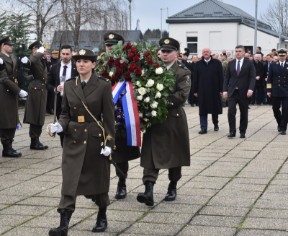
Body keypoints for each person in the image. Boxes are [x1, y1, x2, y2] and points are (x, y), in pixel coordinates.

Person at [48, 49, 115, 235]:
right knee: (69, 182)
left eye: (86, 61)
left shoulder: (103, 85)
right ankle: (63, 225)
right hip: (73, 139)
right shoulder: (69, 85)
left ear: (94, 64)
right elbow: (65, 113)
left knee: (98, 181)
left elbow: (109, 119)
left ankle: (102, 214)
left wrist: (109, 144)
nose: (81, 64)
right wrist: (60, 126)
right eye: (78, 61)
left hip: (95, 140)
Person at [137, 37, 191, 206]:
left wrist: (158, 101)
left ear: (176, 54)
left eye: (168, 51)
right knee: (151, 155)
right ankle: (148, 190)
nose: (164, 54)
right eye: (163, 51)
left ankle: (172, 186)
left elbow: (181, 96)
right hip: (154, 120)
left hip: (173, 119)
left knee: (175, 156)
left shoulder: (183, 72)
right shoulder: (152, 69)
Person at [100, 32, 140, 200]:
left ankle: (121, 183)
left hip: (121, 113)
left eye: (113, 45)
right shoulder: (99, 63)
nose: (110, 48)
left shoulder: (126, 63)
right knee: (99, 153)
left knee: (120, 152)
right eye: (108, 45)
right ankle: (100, 187)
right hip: (100, 112)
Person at [0, 36, 27, 158]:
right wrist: (18, 90)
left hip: (12, 91)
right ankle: (7, 148)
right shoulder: (0, 59)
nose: (12, 47)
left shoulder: (13, 57)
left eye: (12, 45)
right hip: (4, 92)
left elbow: (17, 74)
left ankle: (9, 146)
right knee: (6, 120)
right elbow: (4, 78)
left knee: (12, 119)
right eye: (9, 45)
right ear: (2, 45)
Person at [47, 45, 78, 146]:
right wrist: (55, 89)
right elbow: (48, 83)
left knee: (74, 123)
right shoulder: (55, 67)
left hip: (73, 100)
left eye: (67, 54)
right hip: (59, 101)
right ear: (60, 54)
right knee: (60, 124)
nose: (65, 56)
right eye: (63, 54)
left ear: (71, 54)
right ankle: (63, 145)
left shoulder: (76, 67)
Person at [223, 45, 256, 138]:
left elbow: (252, 77)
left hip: (244, 91)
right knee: (231, 111)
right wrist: (225, 90)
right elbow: (226, 77)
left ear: (244, 52)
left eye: (239, 51)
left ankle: (242, 131)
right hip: (232, 91)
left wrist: (251, 89)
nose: (237, 53)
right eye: (236, 51)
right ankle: (232, 131)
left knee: (244, 112)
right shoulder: (231, 63)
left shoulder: (249, 63)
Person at [23, 40, 49, 150]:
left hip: (42, 89)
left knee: (40, 115)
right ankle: (34, 140)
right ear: (34, 49)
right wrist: (39, 53)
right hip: (35, 89)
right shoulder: (32, 58)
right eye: (39, 49)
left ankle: (36, 139)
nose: (42, 51)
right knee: (35, 115)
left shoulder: (41, 59)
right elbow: (26, 72)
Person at [193, 48, 223, 134]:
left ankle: (215, 124)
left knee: (215, 109)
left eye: (207, 52)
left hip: (214, 89)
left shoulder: (217, 63)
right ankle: (203, 127)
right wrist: (195, 90)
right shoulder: (198, 64)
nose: (205, 53)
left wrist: (221, 89)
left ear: (210, 53)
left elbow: (221, 77)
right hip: (202, 90)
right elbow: (195, 78)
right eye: (204, 52)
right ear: (202, 53)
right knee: (202, 109)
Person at [266, 49, 288, 135]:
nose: (282, 57)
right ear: (278, 56)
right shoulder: (272, 65)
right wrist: (268, 90)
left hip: (286, 90)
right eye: (280, 56)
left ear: (286, 56)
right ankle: (280, 123)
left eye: (283, 56)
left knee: (285, 109)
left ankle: (283, 128)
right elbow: (269, 79)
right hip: (275, 90)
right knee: (275, 108)